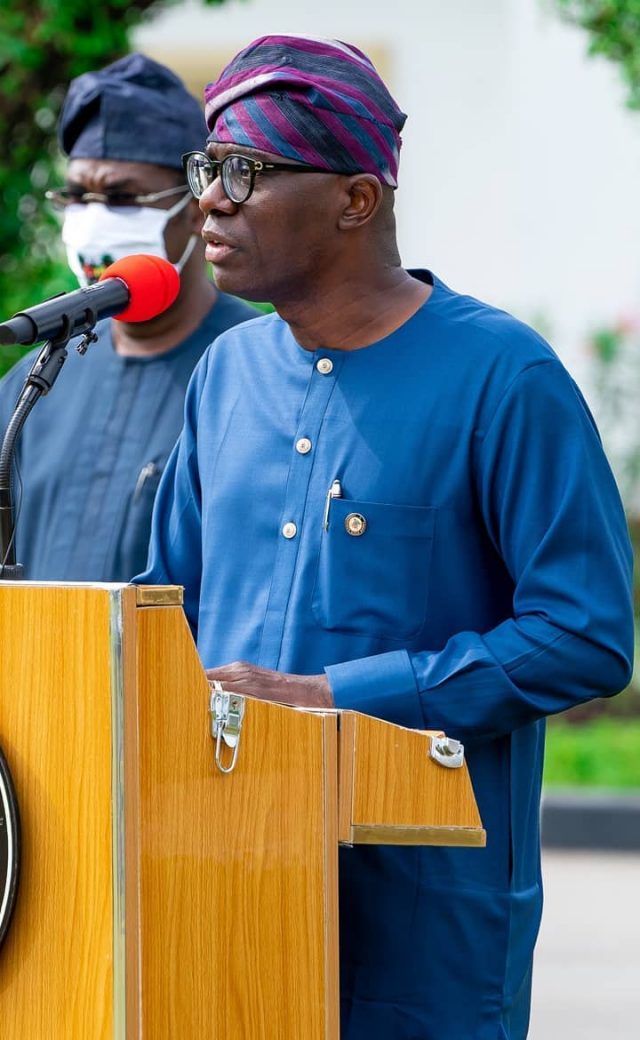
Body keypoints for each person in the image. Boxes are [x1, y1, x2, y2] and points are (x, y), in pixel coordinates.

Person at [138, 35, 635, 1039]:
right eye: (203, 171)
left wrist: (338, 698)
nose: (209, 203)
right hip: (227, 888)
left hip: (425, 922)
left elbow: (587, 631)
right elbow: (164, 617)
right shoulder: (224, 379)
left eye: (244, 171)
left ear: (356, 200)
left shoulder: (503, 377)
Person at [0, 54, 257, 580]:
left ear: (196, 209)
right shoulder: (31, 388)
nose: (95, 220)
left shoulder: (259, 368)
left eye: (125, 198)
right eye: (78, 196)